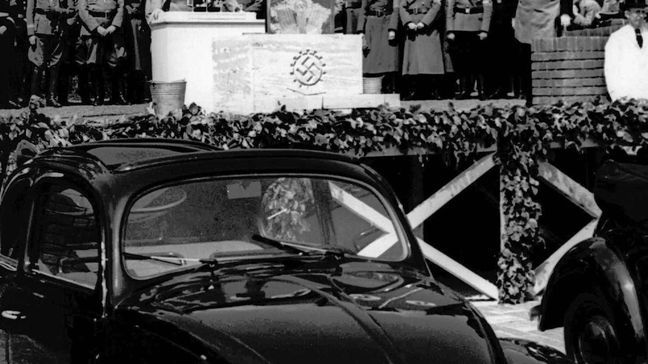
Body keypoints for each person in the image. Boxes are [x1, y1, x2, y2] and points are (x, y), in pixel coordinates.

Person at [77, 0, 128, 105]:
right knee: (94, 62)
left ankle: (118, 95)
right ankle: (98, 96)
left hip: (112, 27)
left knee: (116, 61)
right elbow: (82, 10)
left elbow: (121, 7)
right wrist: (96, 27)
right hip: (93, 29)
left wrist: (115, 25)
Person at [25, 0, 74, 107]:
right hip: (40, 30)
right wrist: (31, 33)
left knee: (55, 64)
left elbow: (72, 10)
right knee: (38, 63)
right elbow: (30, 11)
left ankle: (51, 97)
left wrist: (57, 10)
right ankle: (34, 97)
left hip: (58, 30)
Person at [446, 0, 492, 99]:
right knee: (462, 61)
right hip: (459, 26)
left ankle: (481, 89)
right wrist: (450, 29)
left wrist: (484, 29)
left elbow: (488, 9)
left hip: (477, 25)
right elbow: (450, 10)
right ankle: (464, 89)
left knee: (479, 61)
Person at [400, 0, 445, 99]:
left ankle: (433, 90)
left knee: (431, 59)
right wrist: (408, 22)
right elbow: (402, 7)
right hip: (412, 26)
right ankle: (415, 91)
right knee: (413, 61)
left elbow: (437, 5)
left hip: (429, 27)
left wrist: (425, 22)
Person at [604, 0, 648, 101]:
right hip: (627, 96)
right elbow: (611, 69)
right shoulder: (617, 38)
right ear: (627, 14)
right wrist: (617, 95)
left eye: (643, 12)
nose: (641, 15)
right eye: (637, 12)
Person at [357, 0, 400, 93]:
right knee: (370, 58)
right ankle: (371, 89)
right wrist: (361, 30)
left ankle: (388, 87)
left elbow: (396, 10)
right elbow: (363, 10)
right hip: (371, 25)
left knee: (388, 57)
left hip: (386, 23)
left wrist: (393, 28)